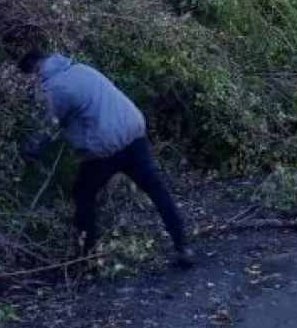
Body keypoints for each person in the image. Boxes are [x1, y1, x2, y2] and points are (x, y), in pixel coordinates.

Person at [17, 50, 195, 269]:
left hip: (105, 146)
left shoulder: (55, 88)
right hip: (134, 130)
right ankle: (182, 246)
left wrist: (29, 152)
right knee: (155, 188)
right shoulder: (80, 68)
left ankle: (86, 258)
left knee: (83, 195)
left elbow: (46, 126)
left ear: (33, 71)